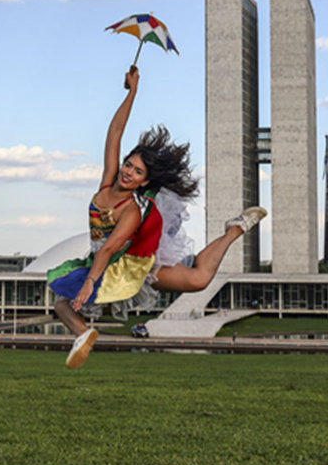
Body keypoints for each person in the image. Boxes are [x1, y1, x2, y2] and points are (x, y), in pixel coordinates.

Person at [49, 67, 266, 369]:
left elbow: (109, 248)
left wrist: (89, 282)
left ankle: (234, 230)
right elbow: (114, 133)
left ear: (144, 182)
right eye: (128, 164)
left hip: (130, 266)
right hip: (99, 264)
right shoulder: (107, 183)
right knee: (61, 302)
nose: (128, 172)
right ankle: (83, 335)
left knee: (200, 279)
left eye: (137, 172)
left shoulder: (131, 211)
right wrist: (132, 93)